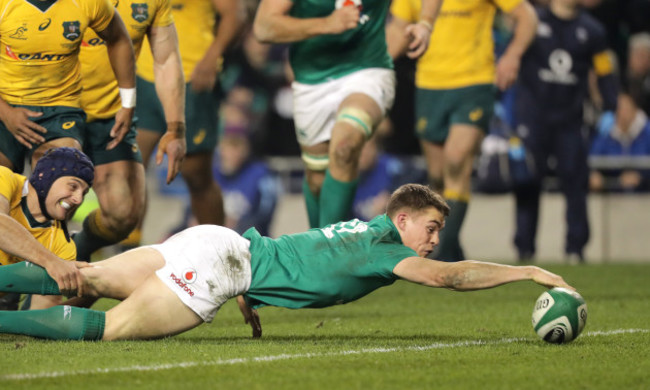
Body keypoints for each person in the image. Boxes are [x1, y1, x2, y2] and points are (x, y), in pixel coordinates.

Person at [0, 184, 575, 341]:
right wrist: (528, 272)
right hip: (226, 266)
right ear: (402, 220)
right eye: (431, 227)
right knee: (109, 327)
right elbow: (449, 278)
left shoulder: (368, 225)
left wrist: (251, 292)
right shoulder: (385, 247)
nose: (433, 240)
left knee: (87, 277)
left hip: (219, 243)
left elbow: (308, 256)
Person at [253, 0, 442, 229]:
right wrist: (326, 24)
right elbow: (263, 27)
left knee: (345, 144)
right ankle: (318, 243)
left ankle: (330, 251)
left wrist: (426, 23)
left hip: (368, 69)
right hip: (313, 80)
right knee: (317, 180)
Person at [387, 0, 538, 262]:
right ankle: (454, 249)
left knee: (457, 160)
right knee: (437, 176)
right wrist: (374, 65)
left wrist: (512, 54)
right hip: (429, 84)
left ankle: (441, 255)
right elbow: (397, 30)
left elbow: (527, 16)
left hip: (474, 82)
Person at [72, 0, 186, 261]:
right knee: (39, 204)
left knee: (124, 215)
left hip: (111, 116)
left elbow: (166, 58)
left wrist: (176, 127)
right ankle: (17, 280)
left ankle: (78, 250)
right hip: (45, 110)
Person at [128, 0, 246, 247]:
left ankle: (219, 250)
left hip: (192, 77)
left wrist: (213, 56)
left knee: (196, 174)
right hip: (142, 76)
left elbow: (235, 14)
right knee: (131, 168)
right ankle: (129, 248)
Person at [511, 0, 618, 263]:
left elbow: (605, 70)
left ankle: (575, 249)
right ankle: (524, 249)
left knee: (575, 184)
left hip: (570, 120)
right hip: (533, 118)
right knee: (527, 181)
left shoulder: (593, 30)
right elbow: (510, 57)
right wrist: (503, 103)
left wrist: (610, 106)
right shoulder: (532, 21)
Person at [0, 0, 136, 173]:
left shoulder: (87, 3)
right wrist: (6, 113)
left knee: (59, 175)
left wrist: (128, 103)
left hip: (61, 109)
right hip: (5, 102)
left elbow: (119, 39)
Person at [0, 147, 93, 310]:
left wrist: (95, 291)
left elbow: (42, 312)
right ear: (45, 176)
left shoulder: (63, 246)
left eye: (83, 193)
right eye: (73, 186)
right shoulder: (5, 178)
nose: (78, 199)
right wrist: (51, 262)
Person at [589, 90, 650, 192]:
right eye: (620, 108)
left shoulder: (647, 133)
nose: (623, 113)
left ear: (635, 109)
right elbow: (593, 159)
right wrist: (594, 174)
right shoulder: (606, 133)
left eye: (627, 108)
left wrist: (641, 176)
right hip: (613, 192)